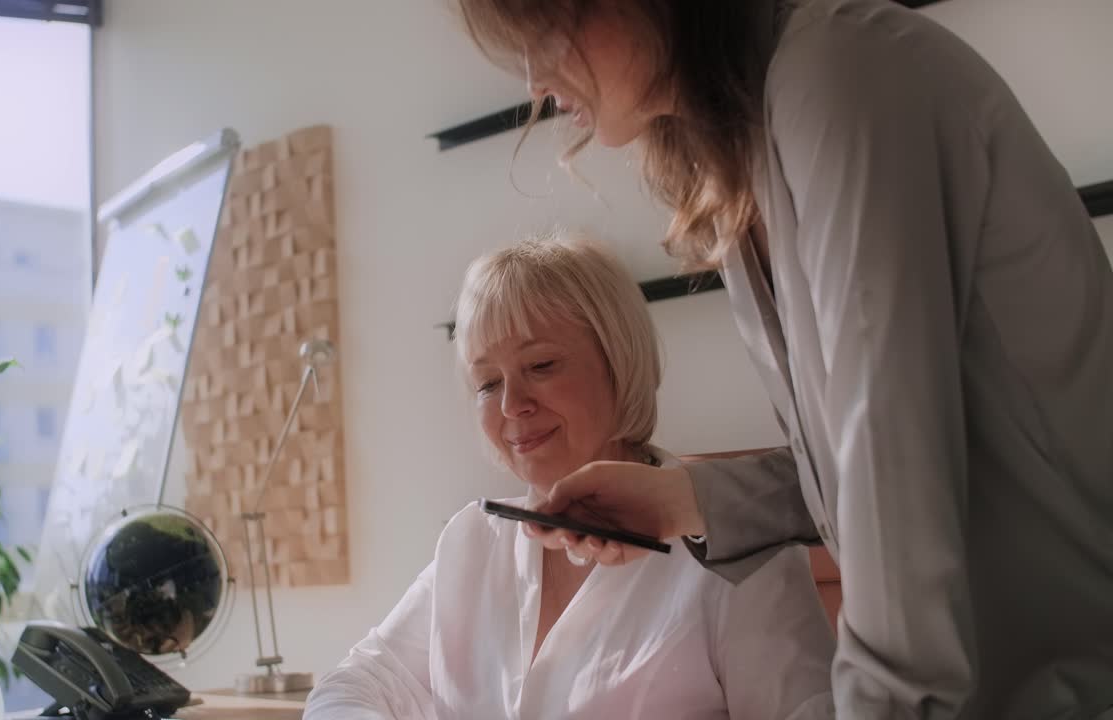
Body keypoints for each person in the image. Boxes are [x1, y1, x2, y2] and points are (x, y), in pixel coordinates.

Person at [454, 0, 1113, 717]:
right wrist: (684, 501)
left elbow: (894, 467)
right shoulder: (749, 156)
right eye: (486, 381)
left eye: (547, 28)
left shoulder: (839, 75)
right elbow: (871, 466)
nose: (535, 76)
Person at [304, 234, 834, 719]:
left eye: (541, 366)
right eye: (488, 383)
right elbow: (350, 687)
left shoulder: (741, 554)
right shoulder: (472, 542)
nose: (511, 405)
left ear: (618, 363)